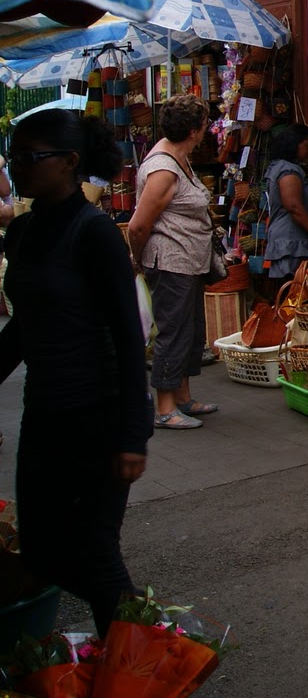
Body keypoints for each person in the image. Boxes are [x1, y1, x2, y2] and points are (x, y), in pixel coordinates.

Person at [0, 110, 149, 635]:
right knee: (40, 547)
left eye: (29, 157)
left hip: (98, 415)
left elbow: (129, 339)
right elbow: (25, 327)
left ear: (69, 163)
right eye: (13, 156)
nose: (17, 167)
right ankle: (142, 640)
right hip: (44, 413)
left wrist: (134, 433)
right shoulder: (20, 232)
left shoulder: (95, 234)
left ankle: (141, 659)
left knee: (94, 550)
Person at [127, 93, 217, 430]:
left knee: (191, 331)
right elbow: (138, 225)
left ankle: (183, 397)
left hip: (187, 261)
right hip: (170, 262)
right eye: (205, 125)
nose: (206, 131)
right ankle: (164, 408)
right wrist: (137, 261)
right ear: (194, 131)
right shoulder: (163, 169)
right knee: (173, 332)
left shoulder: (179, 156)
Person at [263, 123, 308, 282]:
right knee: (296, 294)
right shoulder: (288, 170)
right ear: (294, 144)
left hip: (290, 241)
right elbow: (293, 207)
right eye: (306, 145)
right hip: (292, 243)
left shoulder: (279, 167)